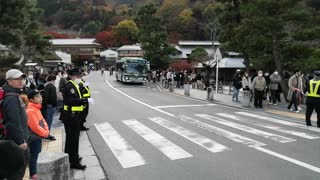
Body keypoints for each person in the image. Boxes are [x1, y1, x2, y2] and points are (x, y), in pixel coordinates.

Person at [61, 68, 94, 169]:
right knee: (73, 139)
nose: (79, 77)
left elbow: (79, 94)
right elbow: (71, 101)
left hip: (74, 115)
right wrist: (85, 100)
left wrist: (84, 87)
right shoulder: (70, 86)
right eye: (77, 75)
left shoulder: (75, 84)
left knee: (72, 139)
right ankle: (74, 162)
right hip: (71, 116)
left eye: (80, 75)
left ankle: (71, 157)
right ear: (71, 76)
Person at [1, 69, 29, 179]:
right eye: (17, 79)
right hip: (16, 143)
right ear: (9, 81)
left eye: (22, 79)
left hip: (16, 141)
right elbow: (13, 122)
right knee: (17, 173)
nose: (21, 81)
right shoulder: (11, 98)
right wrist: (20, 141)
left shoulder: (14, 95)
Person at [26, 90, 49, 179]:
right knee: (34, 155)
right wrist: (45, 133)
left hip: (38, 136)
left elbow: (42, 121)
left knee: (37, 154)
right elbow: (35, 127)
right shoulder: (30, 111)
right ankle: (33, 173)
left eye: (40, 96)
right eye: (37, 97)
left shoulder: (37, 108)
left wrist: (46, 131)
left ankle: (35, 171)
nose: (40, 98)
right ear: (31, 99)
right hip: (33, 137)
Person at [44, 74, 57, 141]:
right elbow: (52, 97)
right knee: (49, 121)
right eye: (54, 80)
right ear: (52, 80)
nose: (55, 81)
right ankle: (47, 134)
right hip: (51, 105)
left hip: (47, 105)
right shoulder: (52, 86)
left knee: (47, 120)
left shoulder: (46, 85)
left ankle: (46, 133)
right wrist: (54, 104)